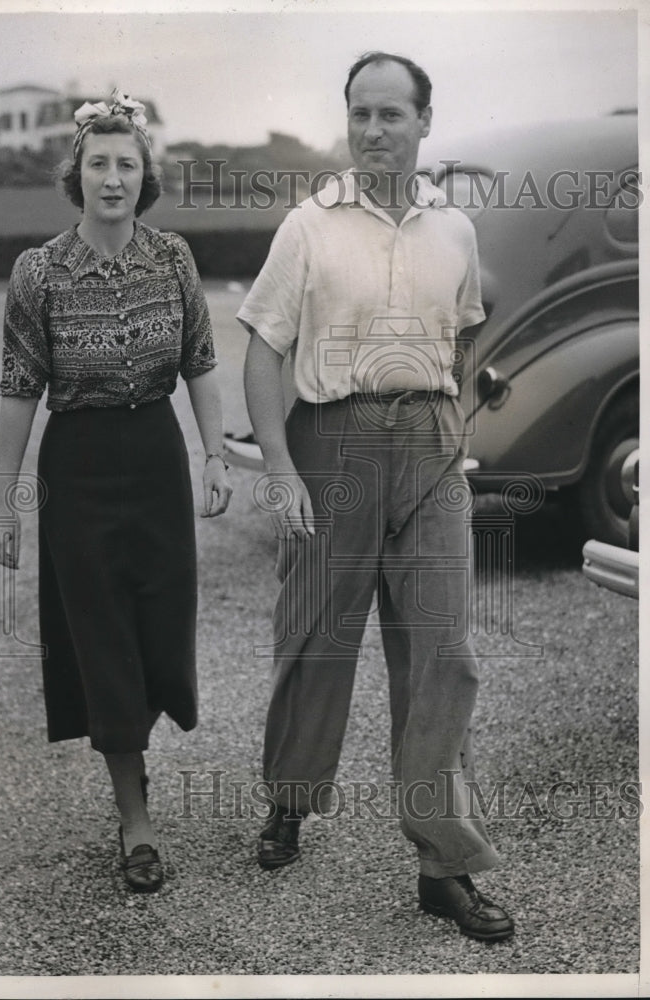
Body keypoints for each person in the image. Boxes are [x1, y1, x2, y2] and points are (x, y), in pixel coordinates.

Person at [237, 53, 514, 942]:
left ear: (425, 122)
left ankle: (444, 864)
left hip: (431, 448)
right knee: (317, 636)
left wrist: (446, 425)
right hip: (333, 442)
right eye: (359, 113)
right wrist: (281, 467)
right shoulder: (307, 228)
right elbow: (263, 350)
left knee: (444, 653)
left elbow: (463, 333)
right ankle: (289, 801)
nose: (371, 130)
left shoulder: (456, 232)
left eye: (390, 114)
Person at [0, 89, 232, 894]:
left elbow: (199, 359)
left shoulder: (173, 260)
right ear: (78, 173)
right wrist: (4, 501)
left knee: (161, 634)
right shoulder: (39, 272)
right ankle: (135, 816)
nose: (113, 178)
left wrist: (214, 457)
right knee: (102, 645)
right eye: (99, 164)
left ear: (143, 176)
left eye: (126, 164)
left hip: (156, 458)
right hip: (81, 468)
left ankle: (135, 747)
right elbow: (19, 389)